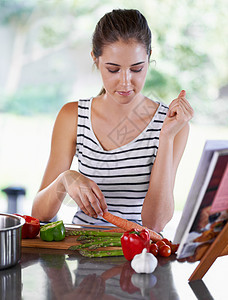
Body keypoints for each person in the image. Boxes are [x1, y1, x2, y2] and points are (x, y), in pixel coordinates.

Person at [32, 9, 194, 232]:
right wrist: (65, 180)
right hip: (82, 250)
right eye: (113, 69)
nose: (126, 82)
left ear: (149, 56)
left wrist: (165, 137)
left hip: (140, 255)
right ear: (95, 59)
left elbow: (155, 224)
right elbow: (39, 214)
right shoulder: (73, 116)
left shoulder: (172, 124)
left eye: (137, 68)